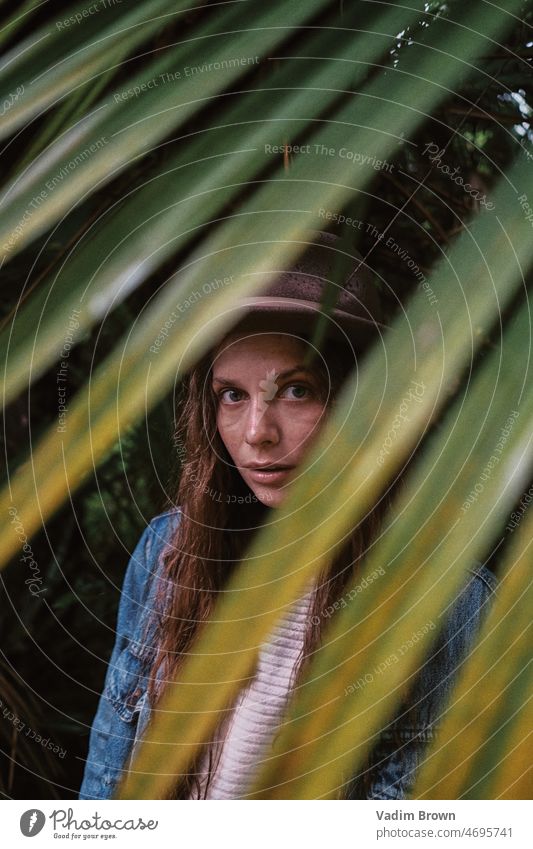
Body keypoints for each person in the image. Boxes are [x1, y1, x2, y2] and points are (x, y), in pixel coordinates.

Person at [79, 232, 498, 800]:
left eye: (296, 390)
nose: (257, 434)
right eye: (232, 395)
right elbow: (110, 770)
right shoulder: (169, 553)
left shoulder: (441, 596)